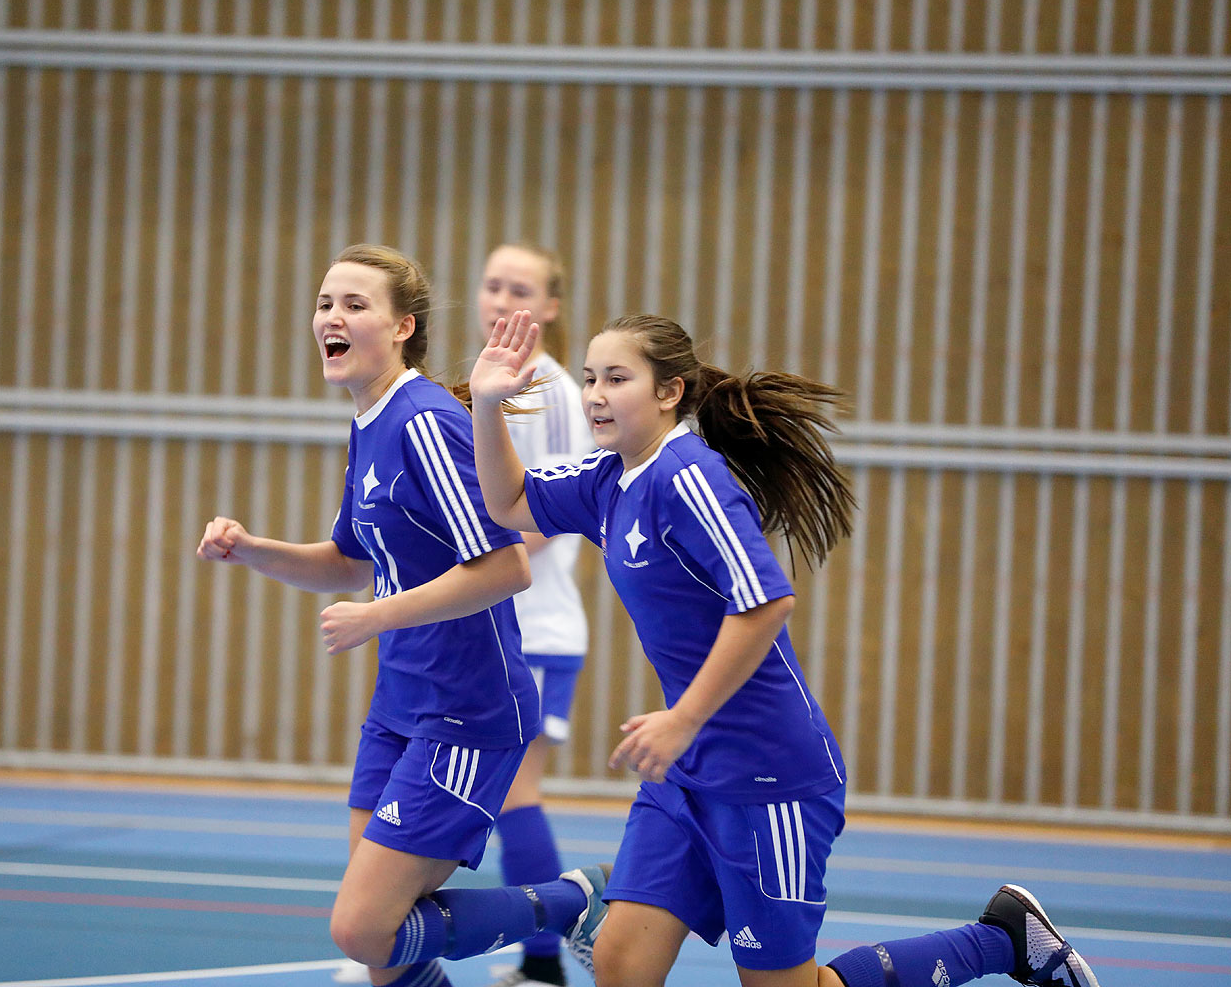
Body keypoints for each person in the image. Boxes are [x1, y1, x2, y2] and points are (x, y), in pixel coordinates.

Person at [466, 310, 1103, 987]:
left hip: (770, 778)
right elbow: (507, 502)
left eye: (617, 378)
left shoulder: (688, 477)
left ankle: (1000, 940)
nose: (594, 393)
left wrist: (682, 719)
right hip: (687, 779)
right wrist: (486, 405)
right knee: (622, 967)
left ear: (669, 392)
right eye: (590, 377)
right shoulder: (607, 480)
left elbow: (766, 602)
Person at [197, 245, 606, 987]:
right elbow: (351, 562)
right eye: (325, 303)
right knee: (385, 953)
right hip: (402, 703)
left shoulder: (425, 422)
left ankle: (571, 899)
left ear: (401, 327)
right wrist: (252, 550)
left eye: (355, 304)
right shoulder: (369, 423)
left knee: (364, 928)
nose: (333, 317)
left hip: (468, 712)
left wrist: (377, 617)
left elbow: (506, 565)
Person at [474, 244, 594, 987]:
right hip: (484, 630)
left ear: (549, 307)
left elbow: (546, 512)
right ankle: (396, 941)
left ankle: (547, 960)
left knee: (516, 795)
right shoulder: (489, 383)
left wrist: (462, 560)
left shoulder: (547, 392)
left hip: (537, 631)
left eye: (520, 289)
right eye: (491, 285)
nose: (501, 299)